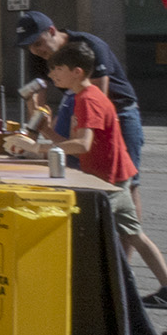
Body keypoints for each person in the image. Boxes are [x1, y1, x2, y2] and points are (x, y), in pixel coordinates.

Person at [26, 41, 167, 310]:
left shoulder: (88, 100)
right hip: (115, 176)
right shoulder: (82, 96)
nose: (52, 74)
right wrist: (45, 132)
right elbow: (75, 143)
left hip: (108, 180)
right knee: (135, 234)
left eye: (57, 69)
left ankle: (93, 293)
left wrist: (38, 148)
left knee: (83, 232)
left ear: (77, 72)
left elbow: (82, 145)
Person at [18, 11, 145, 203]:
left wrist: (41, 145)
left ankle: (126, 229)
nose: (35, 51)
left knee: (126, 182)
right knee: (73, 170)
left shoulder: (91, 46)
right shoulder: (38, 56)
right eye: (29, 47)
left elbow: (98, 98)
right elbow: (39, 104)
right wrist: (36, 127)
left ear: (52, 31)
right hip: (77, 106)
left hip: (119, 110)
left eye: (38, 43)